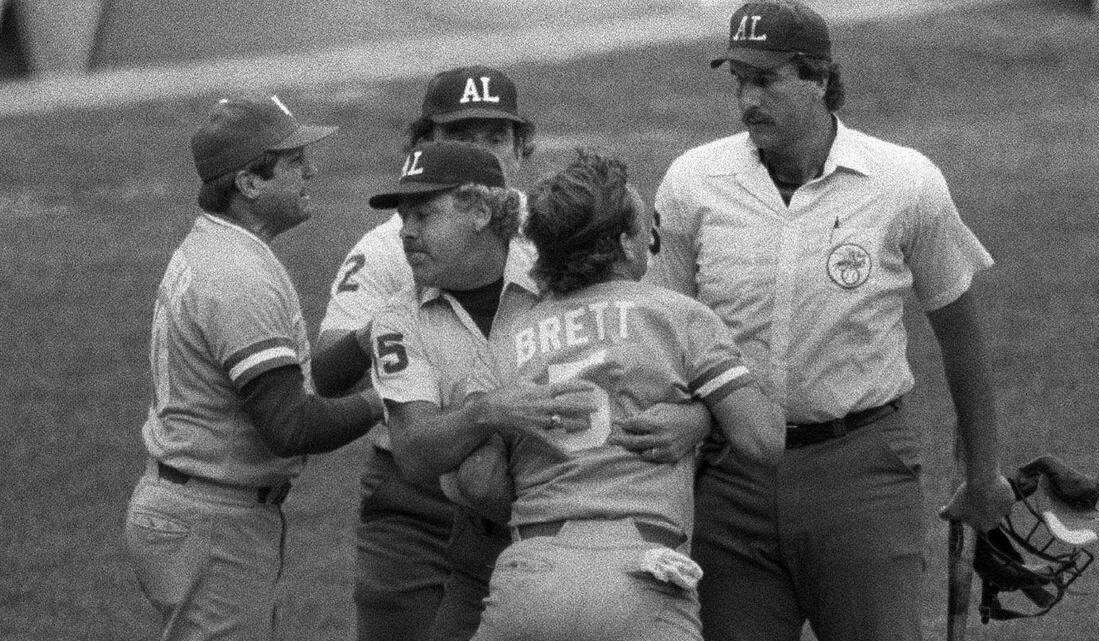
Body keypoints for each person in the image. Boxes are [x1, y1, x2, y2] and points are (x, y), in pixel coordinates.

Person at [646, 2, 1018, 640]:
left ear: (817, 79)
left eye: (766, 82)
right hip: (729, 478)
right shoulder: (693, 182)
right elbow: (662, 331)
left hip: (862, 471)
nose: (748, 102)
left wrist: (982, 473)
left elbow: (961, 337)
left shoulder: (904, 182)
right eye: (740, 82)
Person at [366, 141, 713, 641]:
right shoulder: (398, 321)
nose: (407, 233)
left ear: (480, 212)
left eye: (423, 214)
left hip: (606, 532)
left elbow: (666, 355)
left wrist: (698, 416)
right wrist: (487, 414)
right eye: (404, 218)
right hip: (478, 544)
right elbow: (415, 455)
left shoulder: (565, 270)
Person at [465, 150, 784, 641]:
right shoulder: (679, 317)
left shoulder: (508, 337)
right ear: (621, 244)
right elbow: (763, 440)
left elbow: (479, 484)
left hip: (529, 580)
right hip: (641, 575)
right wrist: (703, 415)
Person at [122, 94, 383, 640]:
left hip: (201, 510)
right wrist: (391, 397)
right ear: (249, 183)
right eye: (293, 161)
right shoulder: (238, 276)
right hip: (212, 522)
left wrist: (366, 343)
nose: (311, 170)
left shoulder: (224, 249)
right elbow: (291, 426)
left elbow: (298, 388)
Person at [310, 65, 537, 641]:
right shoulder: (392, 246)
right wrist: (384, 331)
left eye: (495, 137)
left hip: (541, 481)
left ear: (520, 146)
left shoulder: (554, 230)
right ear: (423, 145)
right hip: (417, 504)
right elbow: (326, 373)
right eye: (460, 137)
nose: (482, 151)